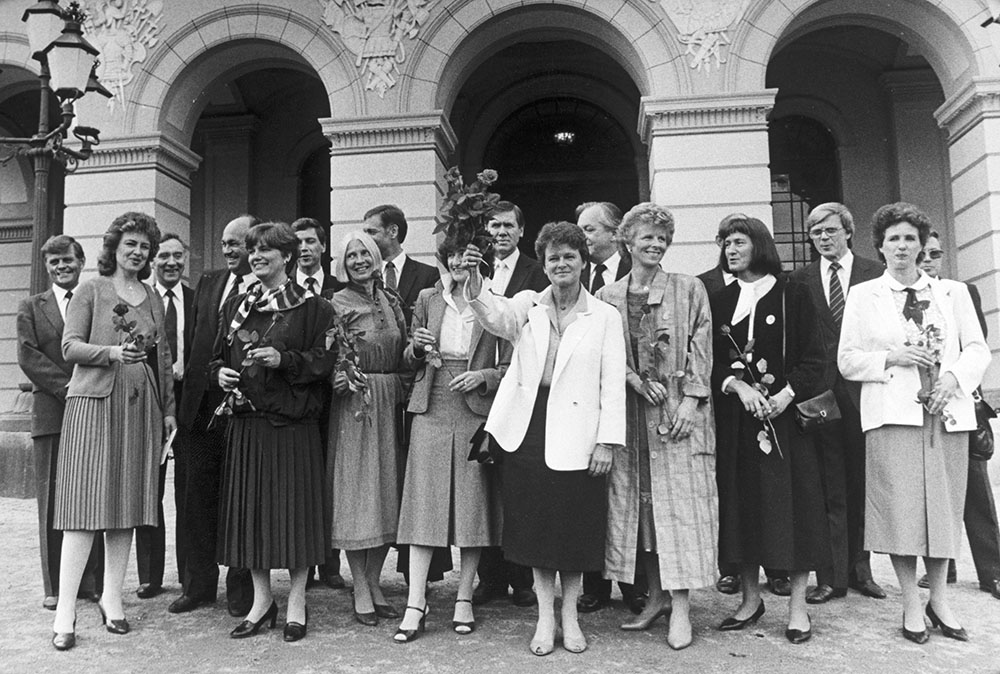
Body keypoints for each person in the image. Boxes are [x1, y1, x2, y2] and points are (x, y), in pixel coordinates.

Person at [462, 221, 627, 656]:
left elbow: (613, 383)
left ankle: (570, 616)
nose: (561, 264)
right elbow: (494, 316)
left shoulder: (605, 316)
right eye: (553, 257)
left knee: (572, 528)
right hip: (529, 429)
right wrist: (475, 279)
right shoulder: (528, 304)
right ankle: (544, 616)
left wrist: (606, 441)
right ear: (545, 264)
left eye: (569, 256)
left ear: (583, 260)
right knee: (536, 528)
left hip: (580, 433)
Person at [840, 202, 990, 645]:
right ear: (880, 246)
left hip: (945, 413)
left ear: (922, 245)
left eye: (910, 238)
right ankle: (910, 603)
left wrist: (953, 378)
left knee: (942, 510)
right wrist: (892, 357)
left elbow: (977, 349)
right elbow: (847, 360)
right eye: (894, 239)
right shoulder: (863, 295)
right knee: (900, 513)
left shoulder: (952, 293)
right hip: (892, 416)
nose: (902, 246)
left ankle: (939, 600)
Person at [50, 212, 177, 650]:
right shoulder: (92, 289)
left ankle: (112, 598)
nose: (138, 252)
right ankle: (66, 610)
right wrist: (111, 353)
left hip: (140, 407)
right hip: (93, 405)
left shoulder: (152, 296)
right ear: (114, 248)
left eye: (144, 246)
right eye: (130, 245)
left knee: (127, 504)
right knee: (84, 507)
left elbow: (163, 358)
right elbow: (69, 346)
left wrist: (168, 410)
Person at [597, 203, 718, 651]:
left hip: (678, 416)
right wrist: (633, 380)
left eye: (662, 238)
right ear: (627, 241)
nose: (655, 244)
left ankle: (681, 609)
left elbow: (702, 346)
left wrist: (691, 400)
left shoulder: (689, 288)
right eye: (647, 236)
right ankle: (656, 598)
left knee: (679, 512)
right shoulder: (607, 295)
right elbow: (606, 353)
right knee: (640, 512)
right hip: (631, 418)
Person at [710, 215, 830, 644]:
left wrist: (785, 396)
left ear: (759, 245)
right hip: (737, 424)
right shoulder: (720, 300)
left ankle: (797, 608)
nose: (730, 250)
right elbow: (710, 360)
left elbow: (815, 358)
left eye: (739, 242)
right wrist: (737, 385)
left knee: (793, 508)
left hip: (785, 422)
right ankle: (749, 600)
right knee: (742, 507)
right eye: (726, 243)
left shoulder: (792, 293)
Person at [213, 222, 336, 642]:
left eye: (266, 249)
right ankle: (262, 602)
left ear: (286, 256)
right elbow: (216, 358)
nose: (256, 256)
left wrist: (284, 360)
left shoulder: (313, 308)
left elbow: (324, 361)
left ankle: (297, 602)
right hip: (247, 425)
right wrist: (221, 374)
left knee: (296, 517)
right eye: (252, 250)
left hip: (292, 426)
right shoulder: (237, 306)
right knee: (253, 517)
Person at [393, 235, 507, 642]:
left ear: (480, 261)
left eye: (466, 256)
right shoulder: (428, 298)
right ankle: (415, 602)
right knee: (424, 505)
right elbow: (408, 356)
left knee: (472, 507)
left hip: (474, 408)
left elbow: (511, 365)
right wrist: (417, 348)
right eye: (453, 255)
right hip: (432, 406)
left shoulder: (494, 302)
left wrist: (483, 376)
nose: (459, 262)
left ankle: (464, 598)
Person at [789, 203, 887, 604]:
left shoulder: (875, 273)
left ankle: (861, 571)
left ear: (848, 231)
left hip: (865, 390)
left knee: (863, 481)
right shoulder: (800, 279)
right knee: (828, 485)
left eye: (830, 230)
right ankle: (830, 576)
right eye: (816, 233)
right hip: (821, 396)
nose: (823, 238)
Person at [170, 215, 256, 616]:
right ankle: (198, 585)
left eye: (235, 243)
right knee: (196, 500)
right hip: (201, 410)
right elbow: (195, 344)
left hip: (244, 412)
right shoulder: (209, 282)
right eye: (224, 243)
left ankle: (242, 590)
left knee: (240, 501)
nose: (227, 250)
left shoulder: (266, 286)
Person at [17, 236, 103, 612]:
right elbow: (27, 355)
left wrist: (87, 390)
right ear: (47, 266)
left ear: (81, 261)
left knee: (92, 495)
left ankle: (92, 582)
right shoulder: (31, 307)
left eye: (67, 259)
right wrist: (68, 388)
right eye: (54, 262)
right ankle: (54, 586)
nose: (61, 266)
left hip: (94, 409)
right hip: (52, 412)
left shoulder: (94, 300)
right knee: (52, 500)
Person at [327, 231, 408, 626]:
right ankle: (360, 585)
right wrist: (340, 377)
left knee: (387, 491)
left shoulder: (391, 299)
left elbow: (405, 350)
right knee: (358, 495)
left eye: (365, 253)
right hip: (355, 406)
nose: (359, 260)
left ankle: (374, 581)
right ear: (342, 263)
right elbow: (328, 356)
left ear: (377, 257)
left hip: (390, 399)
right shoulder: (335, 302)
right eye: (351, 255)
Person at [916, 231, 1000, 601]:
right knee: (934, 490)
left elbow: (975, 348)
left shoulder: (961, 292)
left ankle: (993, 572)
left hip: (960, 403)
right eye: (923, 254)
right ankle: (942, 567)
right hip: (921, 405)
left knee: (975, 489)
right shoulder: (901, 296)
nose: (929, 260)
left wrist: (954, 381)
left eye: (935, 253)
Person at [473, 200, 546, 609]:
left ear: (520, 231)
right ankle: (490, 578)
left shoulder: (536, 272)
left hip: (518, 386)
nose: (500, 232)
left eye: (507, 226)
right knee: (484, 485)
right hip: (478, 389)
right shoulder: (477, 269)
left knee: (517, 485)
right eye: (494, 226)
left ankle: (522, 578)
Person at [574, 200, 643, 614]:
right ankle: (595, 585)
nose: (583, 237)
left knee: (630, 494)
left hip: (633, 400)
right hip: (589, 399)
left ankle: (634, 586)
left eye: (590, 229)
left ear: (615, 233)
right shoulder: (575, 274)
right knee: (593, 494)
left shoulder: (636, 273)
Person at [136, 233, 193, 600]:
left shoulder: (196, 299)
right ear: (152, 261)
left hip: (190, 403)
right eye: (164, 256)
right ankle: (150, 576)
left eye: (177, 255)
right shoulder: (142, 300)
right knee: (150, 489)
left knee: (188, 491)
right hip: (151, 400)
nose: (171, 262)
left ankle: (190, 575)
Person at [292, 217, 347, 591]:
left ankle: (330, 562)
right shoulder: (284, 291)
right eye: (298, 243)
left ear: (323, 246)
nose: (304, 249)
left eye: (311, 241)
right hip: (298, 396)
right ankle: (304, 561)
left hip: (333, 397)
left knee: (330, 477)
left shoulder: (338, 290)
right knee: (302, 482)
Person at [363, 204, 438, 325]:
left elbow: (433, 320)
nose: (365, 239)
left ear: (393, 231)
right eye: (364, 233)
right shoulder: (364, 276)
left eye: (371, 232)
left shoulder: (428, 275)